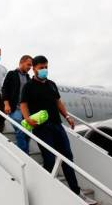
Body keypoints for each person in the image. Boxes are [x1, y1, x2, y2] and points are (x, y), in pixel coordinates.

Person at [20, 55, 97, 204]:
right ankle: (47, 192)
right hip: (41, 128)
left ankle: (76, 191)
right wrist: (27, 118)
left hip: (57, 125)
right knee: (49, 160)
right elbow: (23, 103)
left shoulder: (51, 84)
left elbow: (58, 102)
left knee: (68, 157)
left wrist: (67, 117)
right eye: (41, 67)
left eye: (46, 67)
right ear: (34, 68)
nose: (44, 70)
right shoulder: (28, 86)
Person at [2, 55, 32, 153]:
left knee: (28, 133)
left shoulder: (28, 77)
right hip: (15, 108)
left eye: (31, 66)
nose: (29, 67)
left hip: (26, 110)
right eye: (28, 65)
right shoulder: (12, 74)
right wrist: (6, 104)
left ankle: (25, 151)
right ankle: (24, 154)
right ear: (21, 63)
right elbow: (5, 89)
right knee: (20, 130)